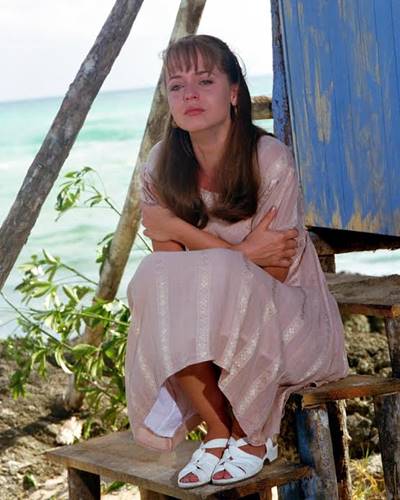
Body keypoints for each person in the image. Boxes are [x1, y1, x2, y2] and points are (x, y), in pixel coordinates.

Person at [125, 34, 348, 489]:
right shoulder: (160, 165)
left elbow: (274, 271)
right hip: (208, 320)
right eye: (176, 85)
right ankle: (218, 431)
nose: (189, 94)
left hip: (286, 317)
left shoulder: (270, 160)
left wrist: (180, 229)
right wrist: (242, 252)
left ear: (232, 93)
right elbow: (169, 273)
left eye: (204, 81)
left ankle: (253, 433)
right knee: (154, 280)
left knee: (221, 279)